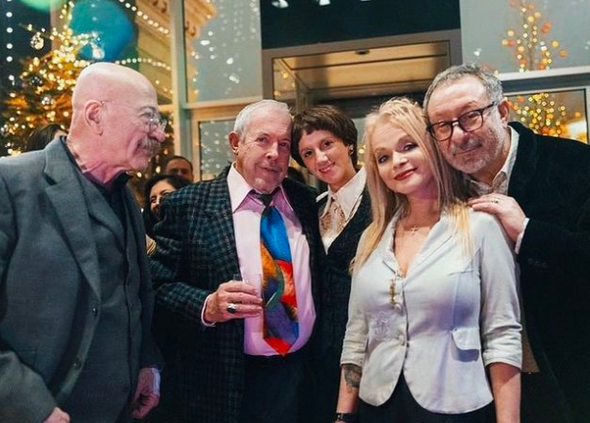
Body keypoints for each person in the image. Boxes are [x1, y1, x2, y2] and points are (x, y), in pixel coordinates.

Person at [336, 97, 522, 423]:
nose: (398, 161)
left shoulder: (480, 227)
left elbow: (503, 333)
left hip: (455, 406)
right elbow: (357, 335)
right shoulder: (371, 239)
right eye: (383, 157)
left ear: (432, 147)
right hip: (378, 406)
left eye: (408, 146)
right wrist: (342, 416)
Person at [424, 64, 590, 423]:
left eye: (470, 116)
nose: (458, 136)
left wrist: (530, 233)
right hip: (480, 391)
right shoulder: (441, 193)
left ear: (502, 111)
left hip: (570, 381)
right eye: (443, 126)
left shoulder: (574, 164)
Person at [0, 62, 165, 423]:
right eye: (149, 118)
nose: (160, 134)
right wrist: (29, 406)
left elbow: (134, 297)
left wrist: (146, 362)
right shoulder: (10, 184)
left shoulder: (124, 194)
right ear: (95, 115)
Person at [150, 99, 322, 423]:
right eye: (263, 140)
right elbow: (156, 285)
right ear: (235, 143)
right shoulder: (188, 205)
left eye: (284, 144)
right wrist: (207, 305)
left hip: (300, 380)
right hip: (223, 383)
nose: (274, 153)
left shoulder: (308, 202)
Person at [291, 105, 371, 423]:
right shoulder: (312, 210)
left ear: (348, 143)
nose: (321, 159)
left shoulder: (385, 199)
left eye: (327, 144)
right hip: (320, 363)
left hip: (373, 355)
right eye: (308, 153)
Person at [142, 174, 190, 256]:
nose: (157, 203)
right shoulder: (147, 240)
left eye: (165, 194)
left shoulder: (200, 232)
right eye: (153, 200)